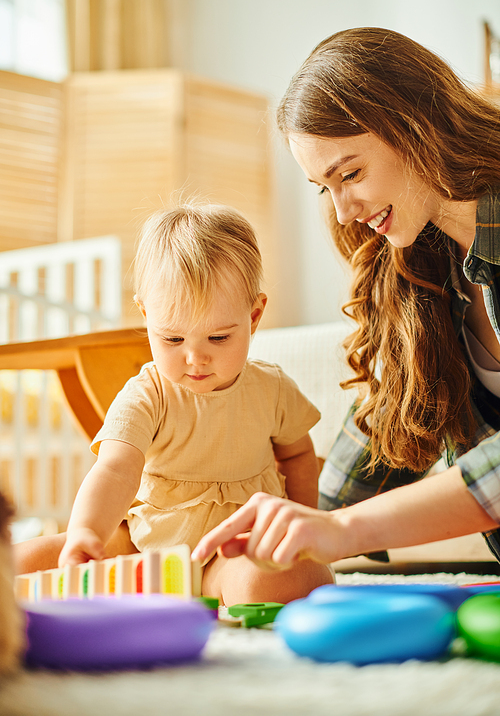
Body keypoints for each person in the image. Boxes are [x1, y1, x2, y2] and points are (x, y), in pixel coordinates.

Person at [192, 26, 500, 571]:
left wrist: (342, 529)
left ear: (415, 125)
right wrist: (270, 535)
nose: (342, 211)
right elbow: (367, 460)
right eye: (324, 187)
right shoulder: (422, 271)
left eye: (350, 174)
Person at [15, 203, 333, 605]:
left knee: (299, 578)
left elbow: (299, 454)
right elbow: (115, 469)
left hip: (229, 552)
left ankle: (217, 586)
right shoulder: (147, 394)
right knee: (27, 559)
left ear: (253, 317)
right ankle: (119, 576)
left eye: (218, 339)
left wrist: (303, 526)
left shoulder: (272, 388)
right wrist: (86, 534)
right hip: (141, 547)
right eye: (172, 340)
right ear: (147, 317)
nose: (195, 359)